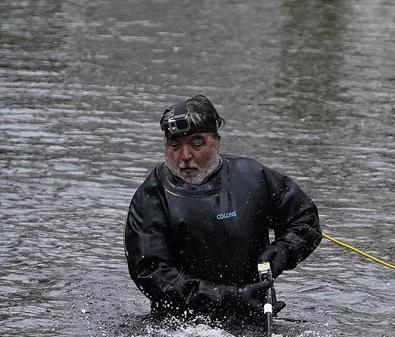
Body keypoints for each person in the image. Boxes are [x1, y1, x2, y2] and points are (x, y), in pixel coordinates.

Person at [124, 95, 321, 324]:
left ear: (216, 142)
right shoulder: (151, 196)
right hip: (182, 325)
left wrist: (284, 250)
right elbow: (151, 274)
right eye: (175, 146)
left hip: (254, 313)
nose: (185, 156)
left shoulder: (253, 178)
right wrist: (227, 297)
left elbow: (305, 219)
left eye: (197, 144)